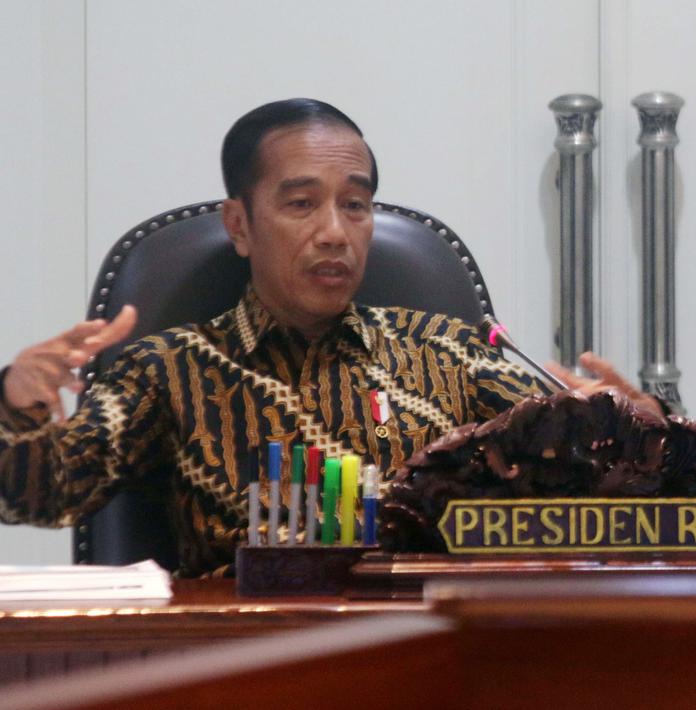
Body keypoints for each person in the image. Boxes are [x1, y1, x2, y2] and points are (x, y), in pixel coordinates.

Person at [0, 98, 656, 577]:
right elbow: (41, 496)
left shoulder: (446, 351)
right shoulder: (169, 370)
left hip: (427, 663)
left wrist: (644, 430)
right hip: (245, 669)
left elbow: (597, 484)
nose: (335, 232)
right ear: (239, 225)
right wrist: (17, 404)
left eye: (356, 204)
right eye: (301, 204)